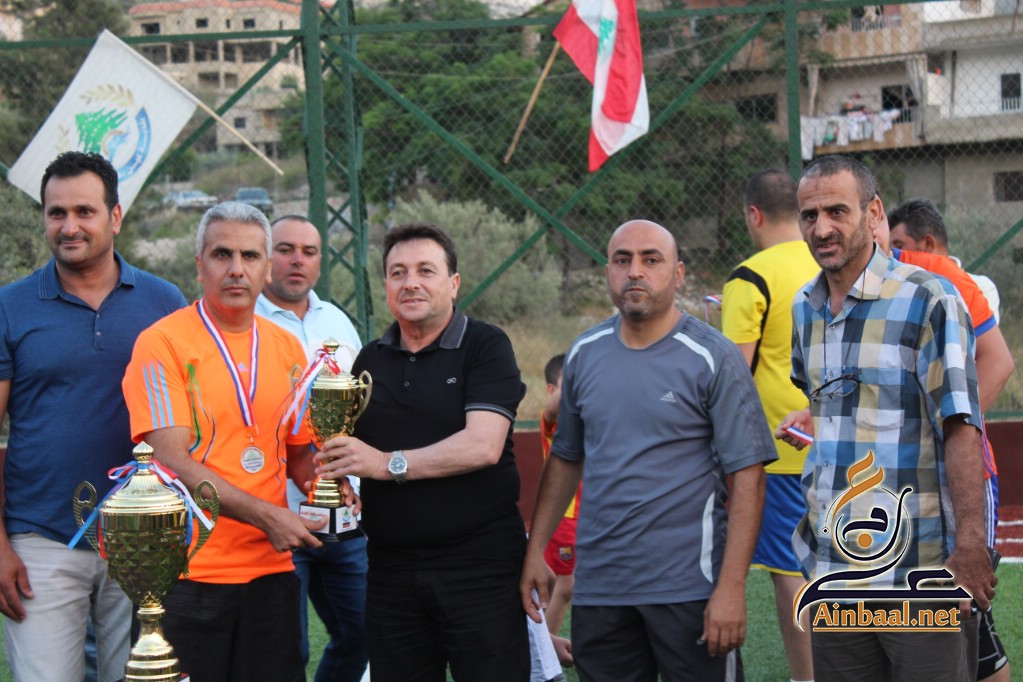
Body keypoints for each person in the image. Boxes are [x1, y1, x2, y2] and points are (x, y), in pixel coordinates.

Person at [521, 220, 777, 682]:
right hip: (601, 590)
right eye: (622, 260)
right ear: (608, 272)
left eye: (650, 259)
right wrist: (536, 548)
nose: (635, 271)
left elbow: (749, 476)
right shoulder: (584, 353)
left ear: (678, 274)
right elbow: (566, 457)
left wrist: (731, 587)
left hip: (690, 589)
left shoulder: (713, 356)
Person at [778, 155, 995, 681]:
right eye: (809, 215)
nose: (821, 228)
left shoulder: (929, 299)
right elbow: (830, 410)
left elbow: (961, 427)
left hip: (919, 574)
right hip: (835, 574)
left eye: (837, 211)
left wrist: (971, 545)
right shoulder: (805, 309)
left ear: (873, 212)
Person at [121, 202, 349, 682]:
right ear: (199, 265)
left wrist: (328, 485)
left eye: (250, 256)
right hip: (189, 572)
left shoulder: (287, 347)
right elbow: (170, 462)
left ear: (267, 269)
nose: (236, 269)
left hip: (272, 571)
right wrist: (267, 516)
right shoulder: (162, 343)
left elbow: (297, 452)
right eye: (222, 254)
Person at [0, 151, 186, 681]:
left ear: (115, 217)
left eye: (85, 211)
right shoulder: (10, 307)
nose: (69, 226)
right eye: (56, 213)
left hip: (145, 537)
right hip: (41, 539)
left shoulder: (164, 302)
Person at [315, 222, 530, 681]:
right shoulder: (369, 360)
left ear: (453, 283)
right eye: (398, 272)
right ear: (386, 285)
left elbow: (483, 446)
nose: (410, 282)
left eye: (425, 271)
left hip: (479, 565)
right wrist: (344, 479)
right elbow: (353, 445)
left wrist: (383, 464)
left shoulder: (486, 345)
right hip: (391, 568)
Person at [874, 210, 1014, 682]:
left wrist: (951, 436)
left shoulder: (938, 273)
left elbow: (998, 362)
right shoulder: (833, 290)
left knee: (967, 625)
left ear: (872, 212)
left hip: (953, 481)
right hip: (887, 487)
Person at [255, 215, 368, 682]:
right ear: (266, 258)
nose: (297, 260)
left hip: (344, 509)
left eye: (309, 251)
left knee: (365, 634)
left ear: (321, 261)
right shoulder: (247, 322)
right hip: (277, 514)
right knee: (288, 649)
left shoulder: (337, 321)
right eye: (285, 249)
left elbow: (360, 410)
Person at [721, 169, 820, 682]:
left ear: (753, 215)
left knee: (791, 572)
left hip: (782, 450)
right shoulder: (834, 258)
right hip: (845, 438)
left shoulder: (750, 276)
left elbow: (733, 374)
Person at [888, 197, 1001, 323]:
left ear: (928, 244)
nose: (893, 256)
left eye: (899, 247)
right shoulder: (895, 290)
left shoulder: (982, 288)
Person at [538, 353, 578, 639]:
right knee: (565, 586)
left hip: (595, 515)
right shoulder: (555, 421)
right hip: (566, 516)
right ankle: (545, 648)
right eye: (570, 383)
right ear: (552, 390)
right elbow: (553, 410)